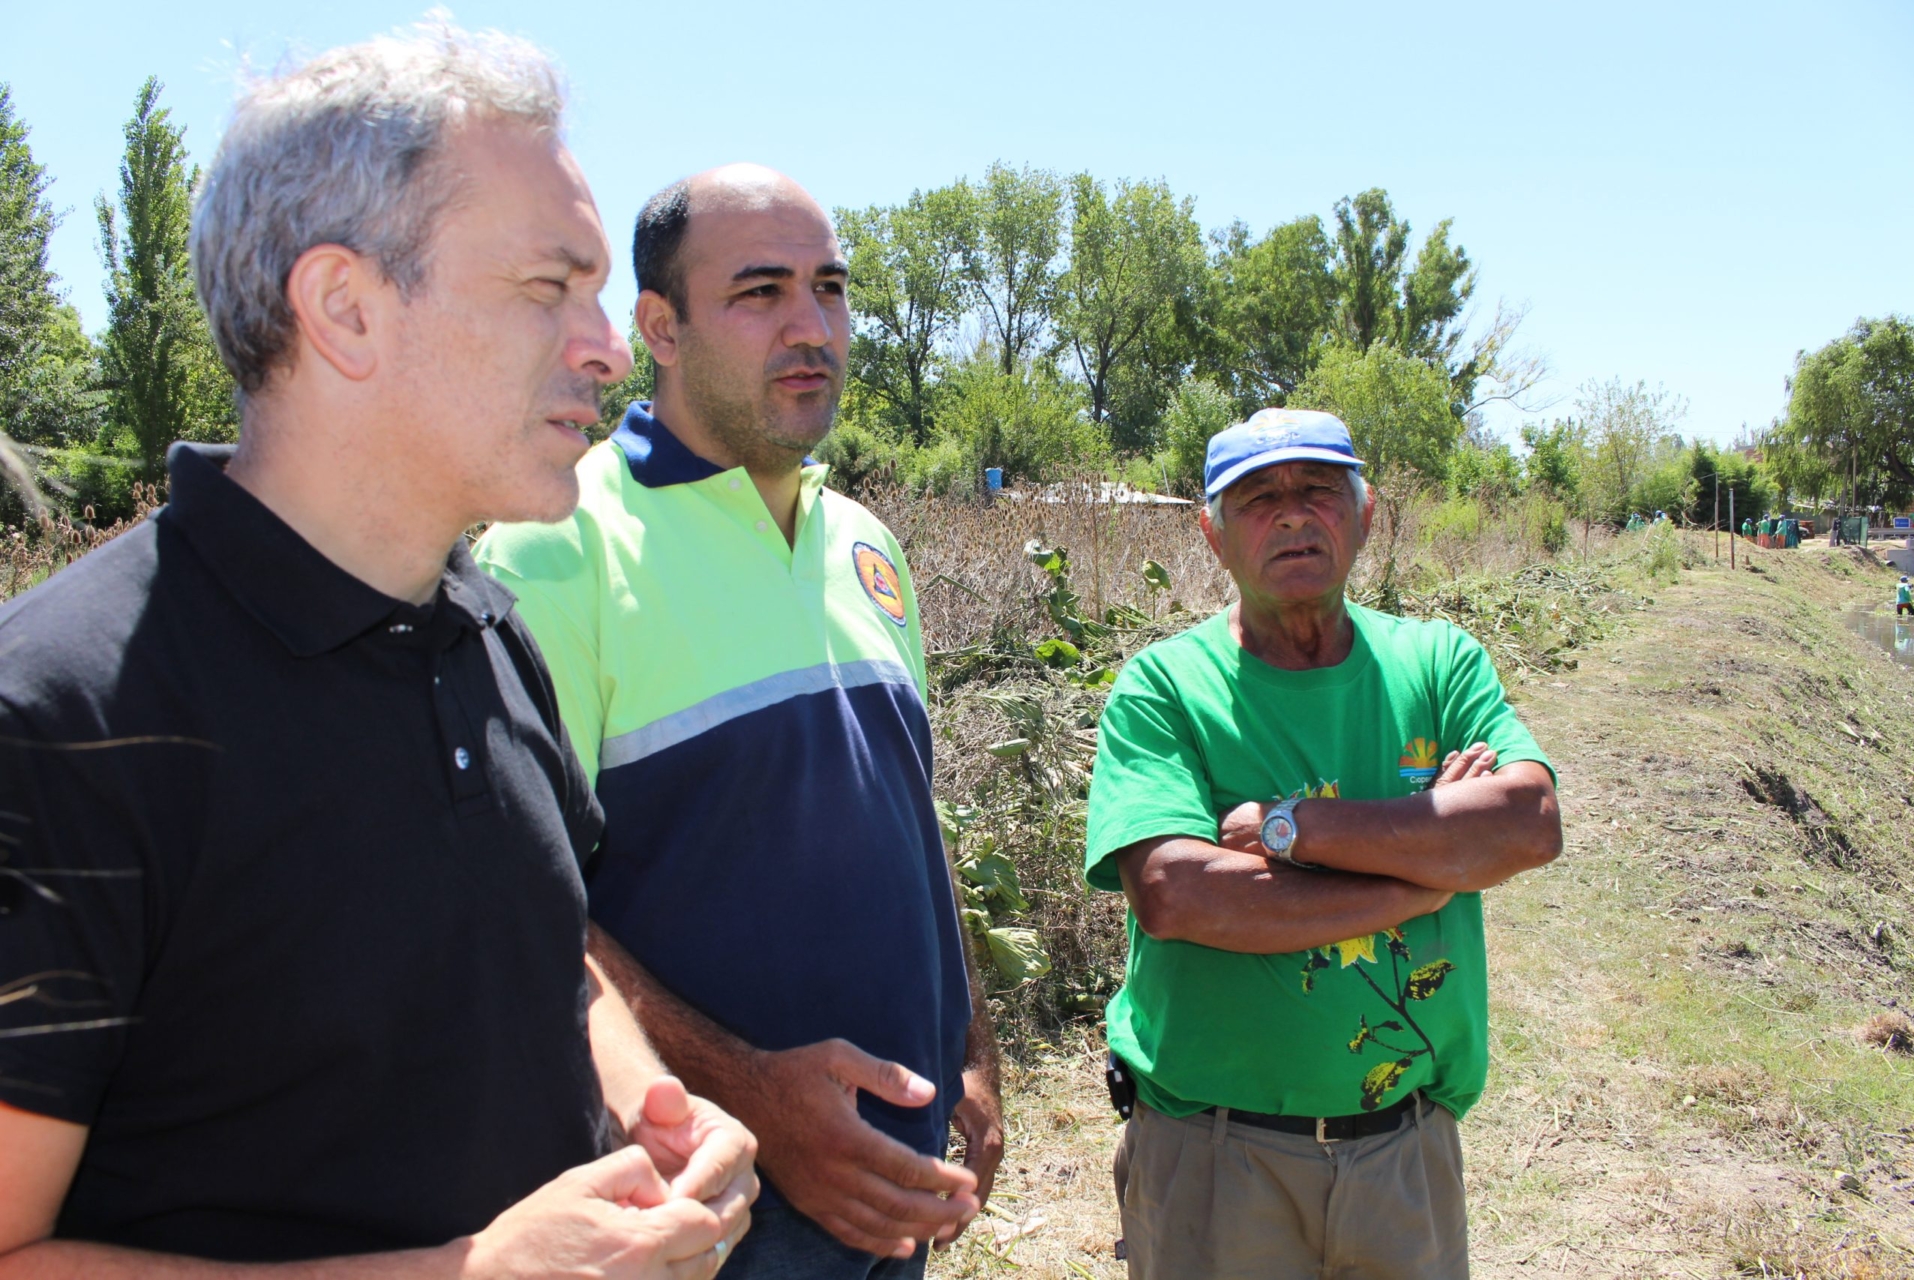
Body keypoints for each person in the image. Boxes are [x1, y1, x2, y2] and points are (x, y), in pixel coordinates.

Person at [0, 27, 758, 1278]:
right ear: (345, 307)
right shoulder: (59, 715)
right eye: (548, 287)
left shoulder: (491, 632)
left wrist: (648, 1101)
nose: (610, 348)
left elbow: (544, 948)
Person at [474, 165, 1002, 1280]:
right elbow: (510, 905)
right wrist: (755, 1096)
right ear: (659, 327)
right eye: (760, 292)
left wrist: (968, 1035)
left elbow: (910, 821)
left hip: (895, 1185)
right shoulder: (558, 547)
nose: (812, 327)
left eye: (830, 288)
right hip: (701, 1206)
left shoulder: (865, 542)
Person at [1084, 408, 1563, 1279]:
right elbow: (1175, 893)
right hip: (1216, 1156)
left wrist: (1293, 828)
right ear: (1213, 535)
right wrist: (1425, 874)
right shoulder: (1165, 687)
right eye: (1259, 499)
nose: (1294, 515)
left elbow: (1527, 821)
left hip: (1406, 1150)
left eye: (1319, 490)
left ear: (1365, 514)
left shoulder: (1438, 663)